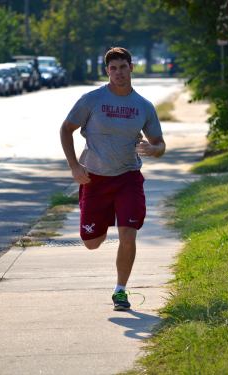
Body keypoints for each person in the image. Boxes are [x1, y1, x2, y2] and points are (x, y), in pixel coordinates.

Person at [60, 47, 165, 311]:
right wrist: (74, 166)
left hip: (128, 177)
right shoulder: (92, 99)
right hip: (94, 179)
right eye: (113, 68)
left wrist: (155, 150)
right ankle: (100, 215)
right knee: (92, 243)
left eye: (123, 67)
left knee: (128, 235)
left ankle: (120, 290)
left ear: (131, 68)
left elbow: (159, 143)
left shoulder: (143, 106)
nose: (118, 72)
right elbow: (66, 129)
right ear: (108, 71)